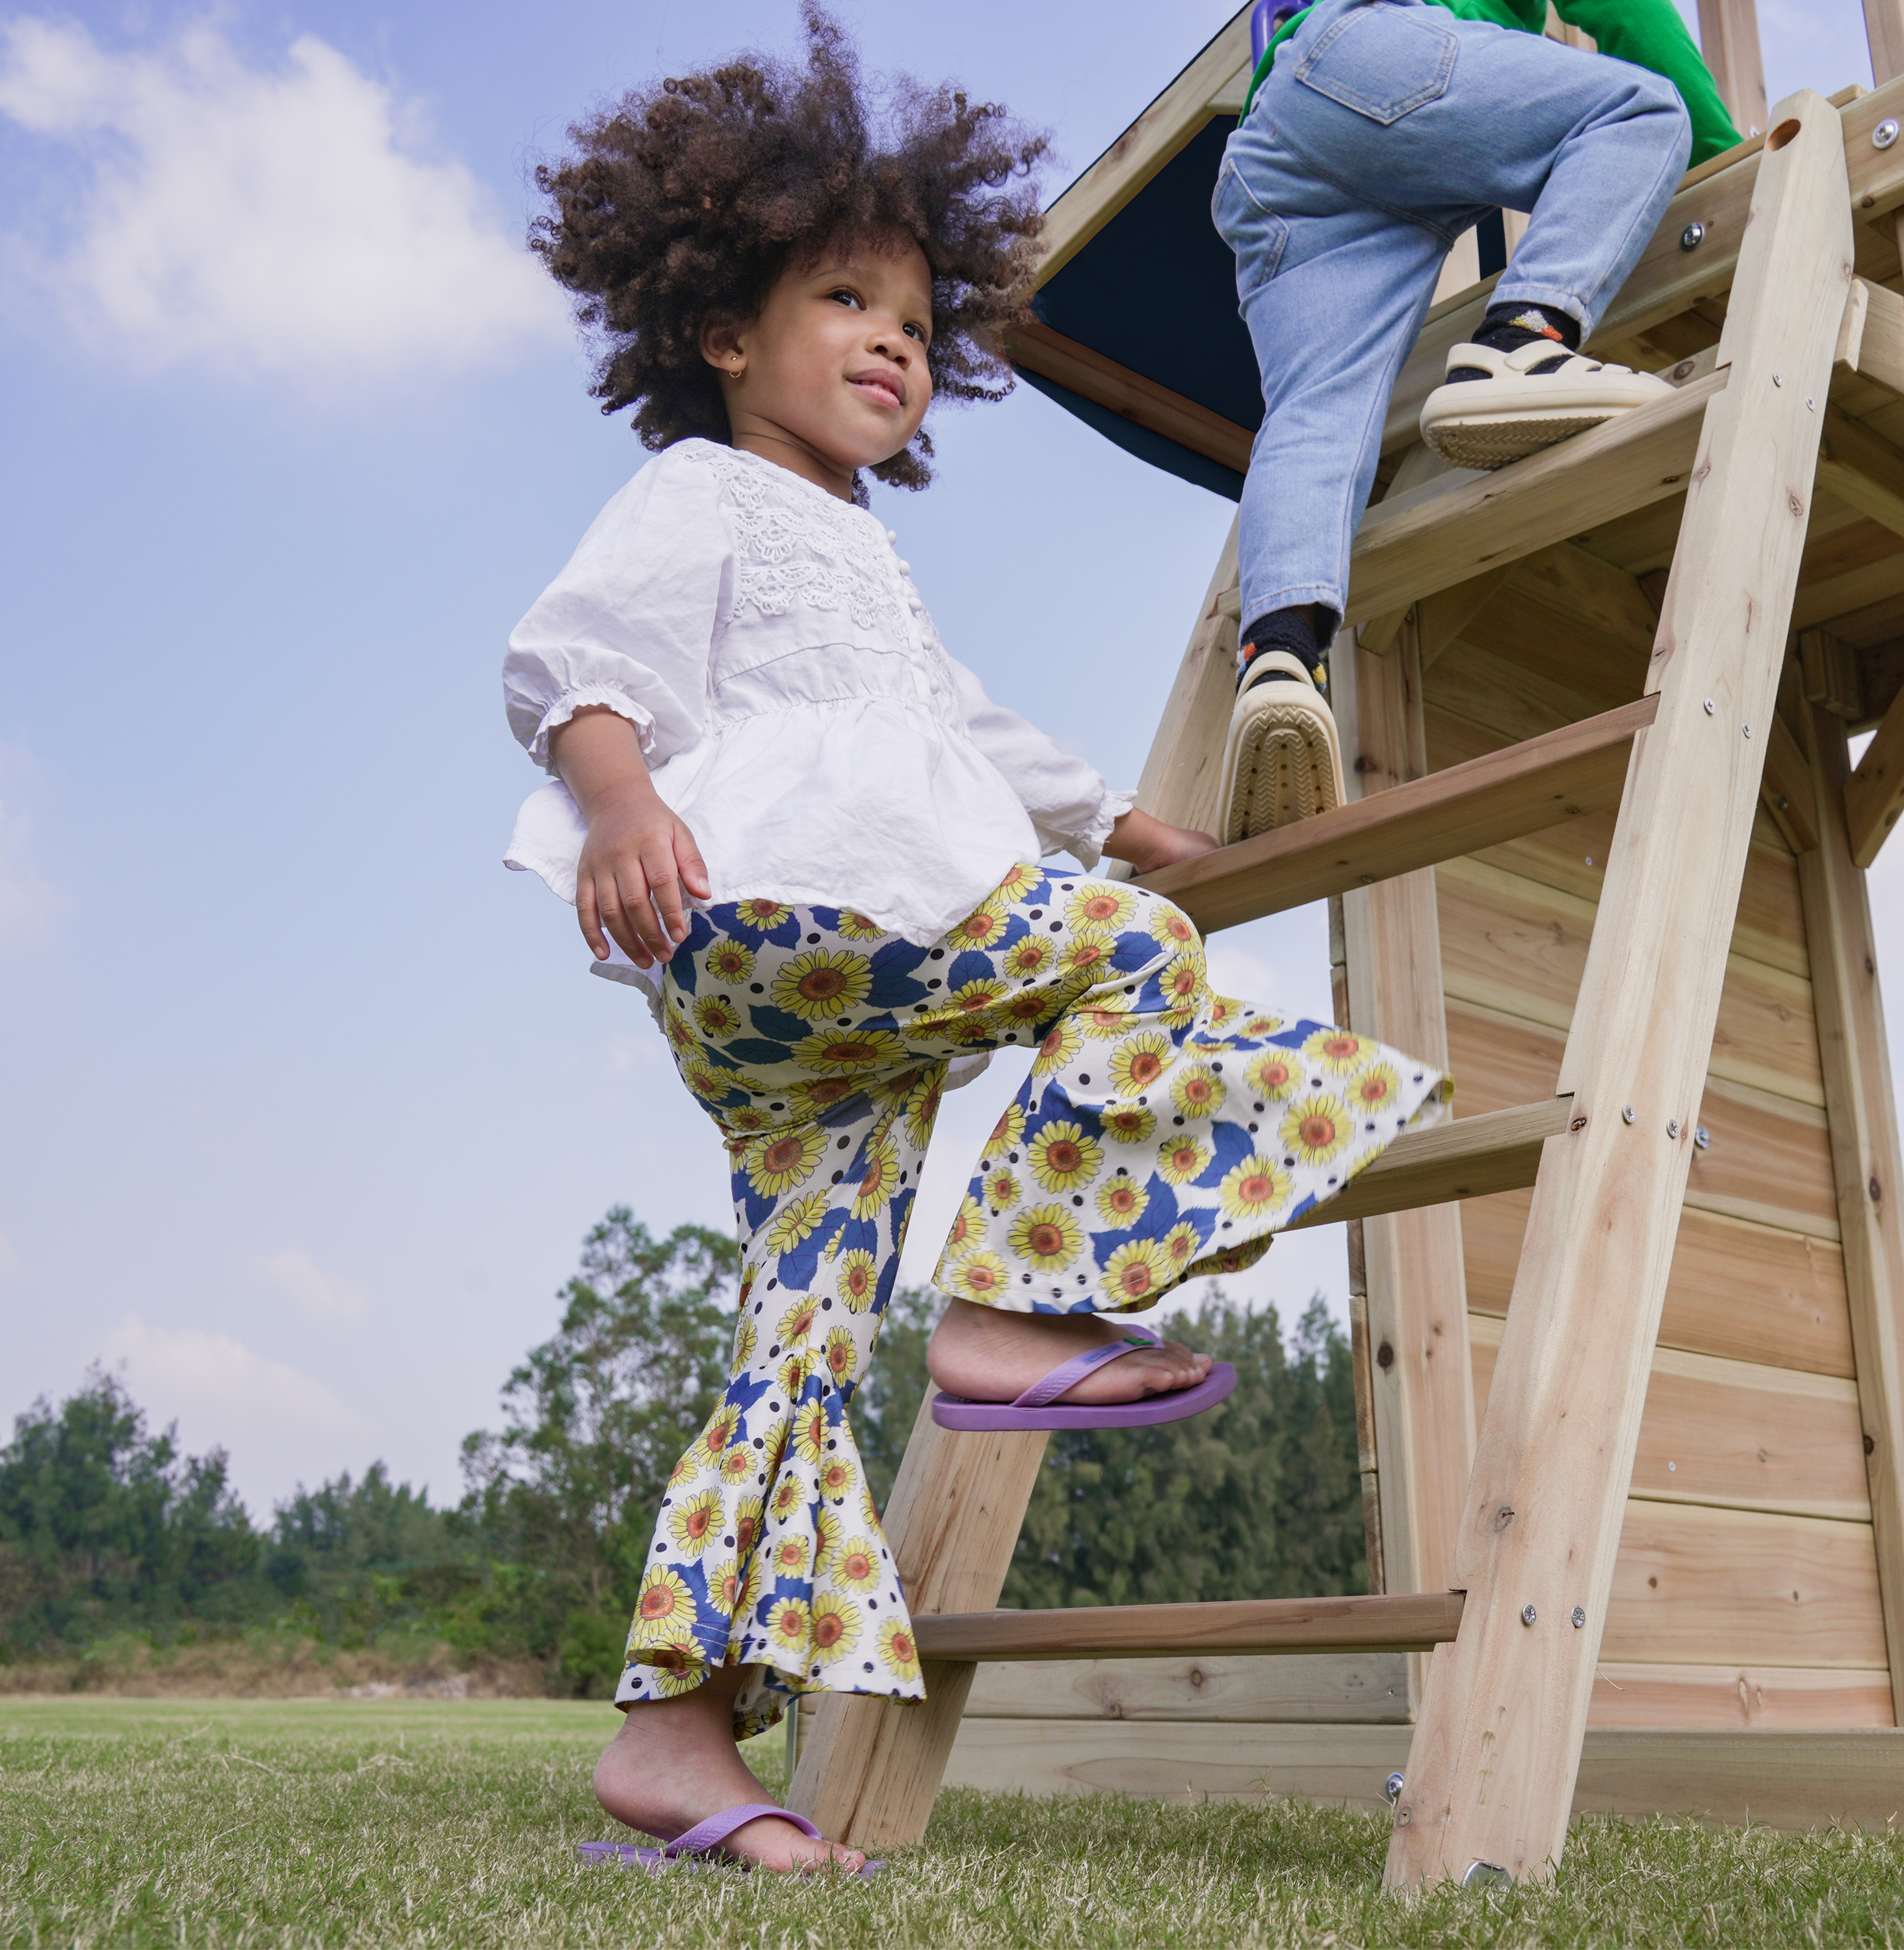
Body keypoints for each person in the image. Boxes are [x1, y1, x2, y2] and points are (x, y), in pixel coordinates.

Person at [504, 8, 1451, 1873]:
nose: (891, 345)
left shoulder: (870, 554)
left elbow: (973, 735)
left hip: (808, 1016)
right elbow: (569, 658)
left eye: (920, 329)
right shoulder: (705, 489)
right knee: (1131, 961)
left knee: (798, 1324)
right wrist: (619, 803)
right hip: (774, 905)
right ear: (721, 331)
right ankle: (1021, 1307)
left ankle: (675, 1739)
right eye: (846, 301)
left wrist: (1124, 821)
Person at [1211, 0, 1739, 840]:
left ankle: (1277, 658)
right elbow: (1631, 13)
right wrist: (1729, 167)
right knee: (1637, 111)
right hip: (1369, 55)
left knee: (1317, 412)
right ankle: (1522, 340)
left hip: (1274, 153)